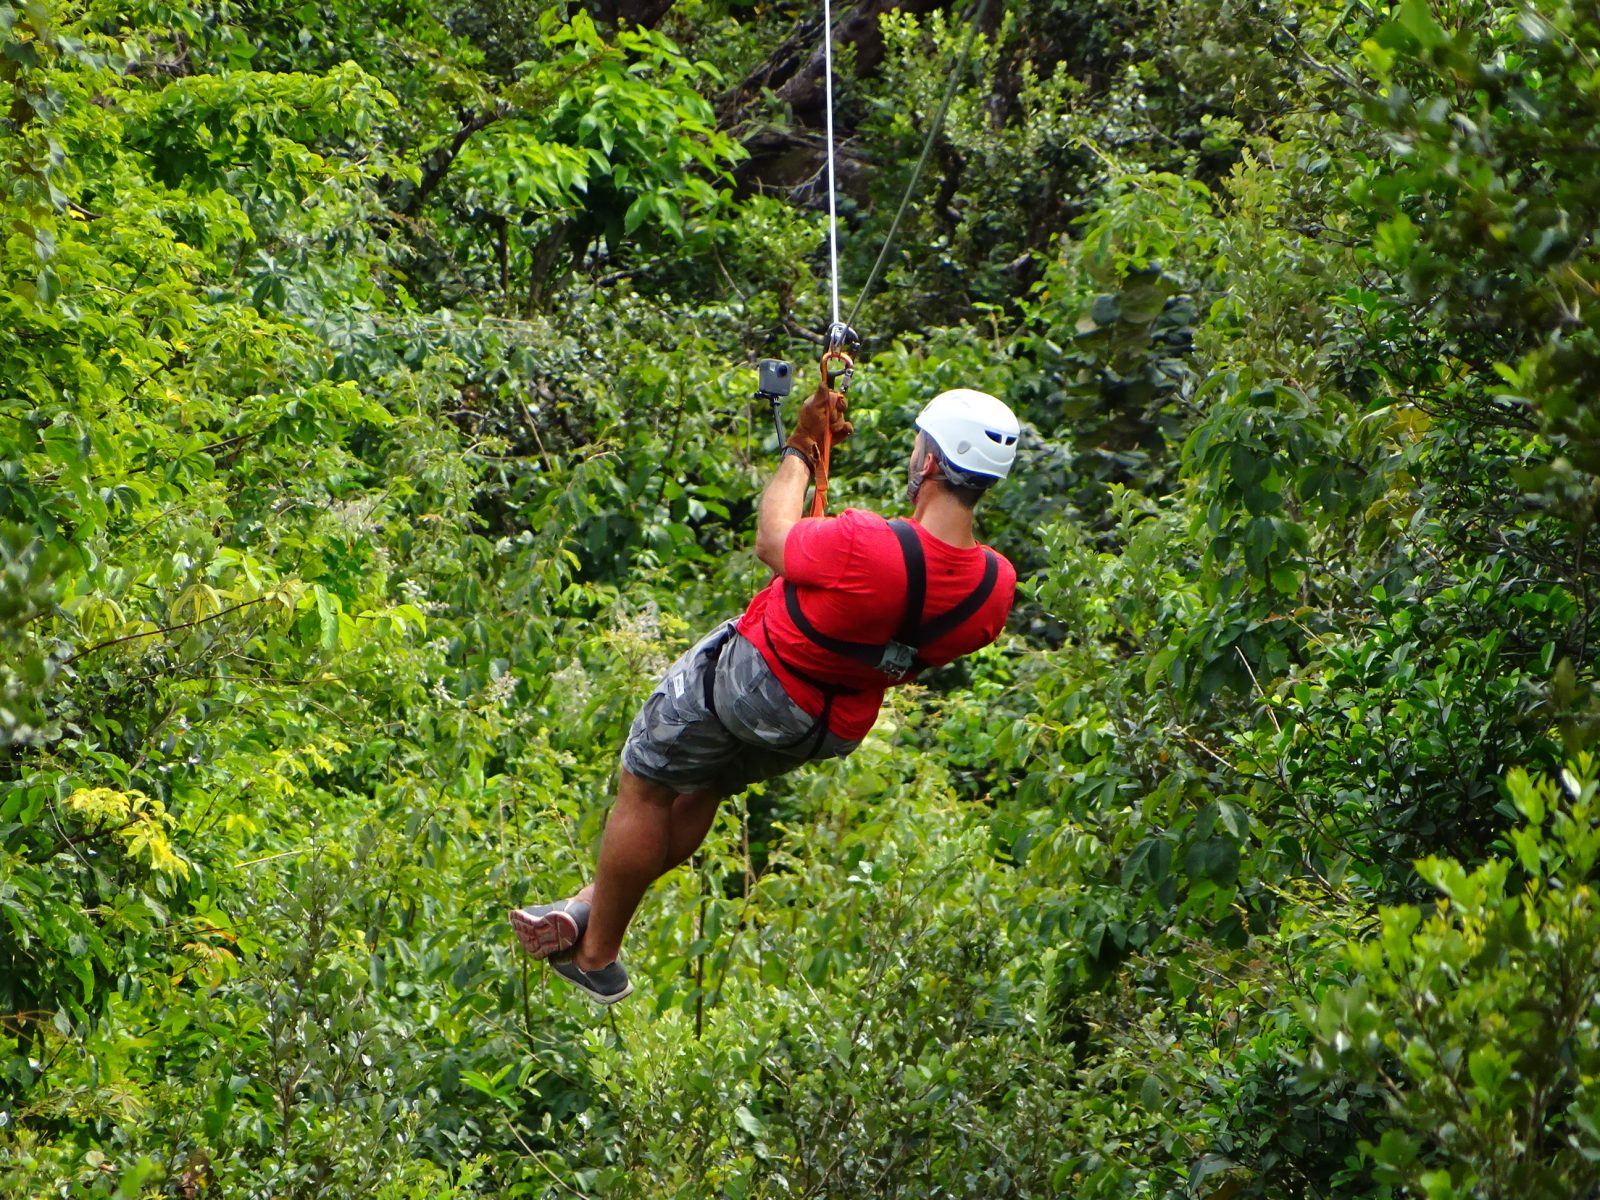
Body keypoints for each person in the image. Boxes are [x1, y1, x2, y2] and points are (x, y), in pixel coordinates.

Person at [509, 383, 1021, 1003]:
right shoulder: (995, 586)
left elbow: (772, 539)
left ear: (932, 463)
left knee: (646, 783)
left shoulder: (867, 543)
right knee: (704, 783)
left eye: (920, 446)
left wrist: (803, 448)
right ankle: (593, 904)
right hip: (824, 727)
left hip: (751, 686)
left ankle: (596, 956)